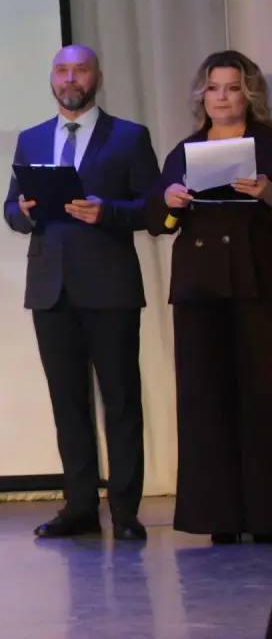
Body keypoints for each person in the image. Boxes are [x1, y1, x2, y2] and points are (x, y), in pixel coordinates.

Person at [3, 45, 160, 541]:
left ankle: (126, 511)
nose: (70, 78)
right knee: (68, 405)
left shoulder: (129, 137)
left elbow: (154, 209)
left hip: (110, 287)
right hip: (51, 289)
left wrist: (107, 210)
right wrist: (25, 212)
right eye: (62, 70)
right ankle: (80, 508)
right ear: (52, 78)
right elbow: (11, 210)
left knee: (121, 401)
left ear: (97, 77)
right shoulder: (31, 138)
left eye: (81, 70)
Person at [146, 49, 272, 544]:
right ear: (202, 95)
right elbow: (159, 222)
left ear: (249, 94)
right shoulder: (185, 149)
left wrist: (267, 193)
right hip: (200, 285)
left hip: (257, 280)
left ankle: (264, 514)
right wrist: (169, 201)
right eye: (214, 88)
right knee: (205, 397)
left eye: (232, 88)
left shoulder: (267, 144)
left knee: (261, 395)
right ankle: (219, 516)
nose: (222, 98)